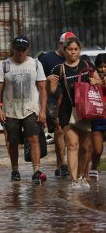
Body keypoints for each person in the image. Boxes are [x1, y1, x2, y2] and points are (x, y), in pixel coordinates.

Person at [48, 36, 103, 189]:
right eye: (70, 49)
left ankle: (81, 175)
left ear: (79, 50)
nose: (73, 52)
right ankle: (74, 180)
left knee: (85, 147)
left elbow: (99, 82)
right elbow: (52, 91)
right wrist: (49, 83)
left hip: (85, 110)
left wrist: (96, 82)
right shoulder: (58, 69)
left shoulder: (87, 65)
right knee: (72, 144)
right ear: (64, 50)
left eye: (76, 49)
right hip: (67, 111)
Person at [0, 36, 48, 184]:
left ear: (27, 50)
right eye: (18, 49)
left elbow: (43, 90)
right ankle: (15, 170)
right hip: (11, 110)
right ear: (13, 49)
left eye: (23, 50)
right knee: (13, 141)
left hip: (31, 109)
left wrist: (43, 111)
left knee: (33, 139)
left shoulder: (35, 64)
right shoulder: (5, 65)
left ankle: (36, 171)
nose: (20, 52)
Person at [38, 32, 75, 178]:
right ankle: (62, 165)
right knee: (60, 131)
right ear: (60, 44)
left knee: (71, 134)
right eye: (67, 45)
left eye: (72, 46)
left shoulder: (75, 59)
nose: (70, 49)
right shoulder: (47, 59)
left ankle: (67, 164)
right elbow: (39, 81)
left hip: (72, 101)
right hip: (53, 101)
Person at [89, 53, 106, 181]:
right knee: (98, 149)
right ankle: (94, 167)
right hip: (97, 116)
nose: (103, 70)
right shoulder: (91, 76)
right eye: (100, 67)